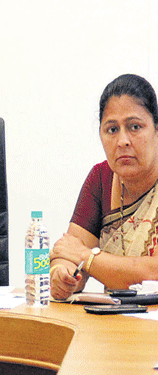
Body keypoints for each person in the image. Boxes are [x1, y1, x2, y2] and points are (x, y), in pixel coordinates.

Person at [50, 74, 158, 300]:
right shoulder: (101, 179)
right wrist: (63, 275)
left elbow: (154, 274)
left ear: (156, 130)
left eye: (135, 127)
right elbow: (67, 252)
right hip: (115, 324)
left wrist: (86, 258)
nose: (123, 141)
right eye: (112, 129)